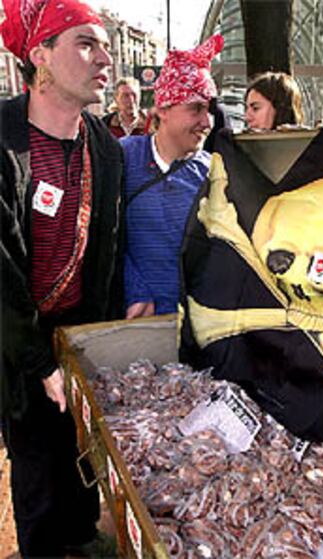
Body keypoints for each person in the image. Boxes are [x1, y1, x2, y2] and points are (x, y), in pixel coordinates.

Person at [0, 0, 124, 556]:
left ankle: (82, 536)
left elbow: (107, 250)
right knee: (35, 462)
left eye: (104, 44)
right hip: (15, 337)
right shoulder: (3, 142)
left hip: (81, 334)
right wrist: (38, 362)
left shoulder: (105, 146)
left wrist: (107, 333)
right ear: (40, 56)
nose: (106, 57)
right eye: (85, 43)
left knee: (83, 452)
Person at [123, 34, 224, 319]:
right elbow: (101, 234)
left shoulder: (215, 173)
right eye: (195, 109)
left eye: (209, 109)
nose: (207, 122)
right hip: (138, 323)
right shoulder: (125, 158)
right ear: (163, 110)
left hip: (197, 325)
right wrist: (134, 290)